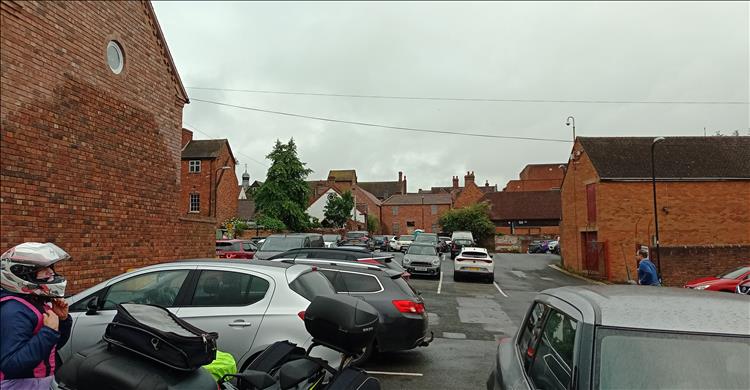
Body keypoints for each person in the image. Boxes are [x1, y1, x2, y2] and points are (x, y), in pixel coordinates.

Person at [0, 242, 73, 389]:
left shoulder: (35, 301)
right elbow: (11, 365)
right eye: (43, 269)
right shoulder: (14, 310)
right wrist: (48, 332)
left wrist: (63, 321)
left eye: (50, 267)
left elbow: (54, 346)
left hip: (39, 382)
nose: (51, 273)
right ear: (21, 273)